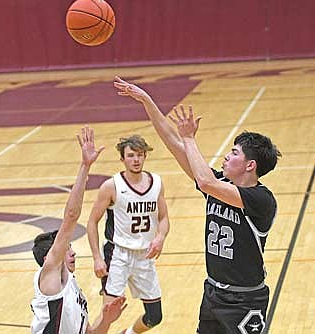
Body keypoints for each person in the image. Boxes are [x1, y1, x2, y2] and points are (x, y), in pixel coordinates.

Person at [114, 76, 281, 333]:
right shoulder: (220, 184)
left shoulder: (261, 200)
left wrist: (191, 139)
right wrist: (147, 101)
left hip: (245, 300)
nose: (227, 155)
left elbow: (205, 181)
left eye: (234, 153)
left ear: (250, 165)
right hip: (213, 292)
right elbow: (174, 143)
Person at [31, 126, 127, 333]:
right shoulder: (49, 277)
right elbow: (71, 217)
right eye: (67, 248)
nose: (73, 252)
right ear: (51, 256)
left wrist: (107, 321)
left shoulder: (72, 287)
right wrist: (85, 166)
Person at [86, 134, 170, 334]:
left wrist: (160, 237)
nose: (136, 160)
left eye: (140, 155)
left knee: (154, 317)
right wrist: (97, 258)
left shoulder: (156, 183)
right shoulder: (111, 186)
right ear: (122, 159)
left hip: (145, 256)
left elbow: (164, 217)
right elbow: (91, 222)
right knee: (109, 312)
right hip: (118, 255)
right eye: (131, 155)